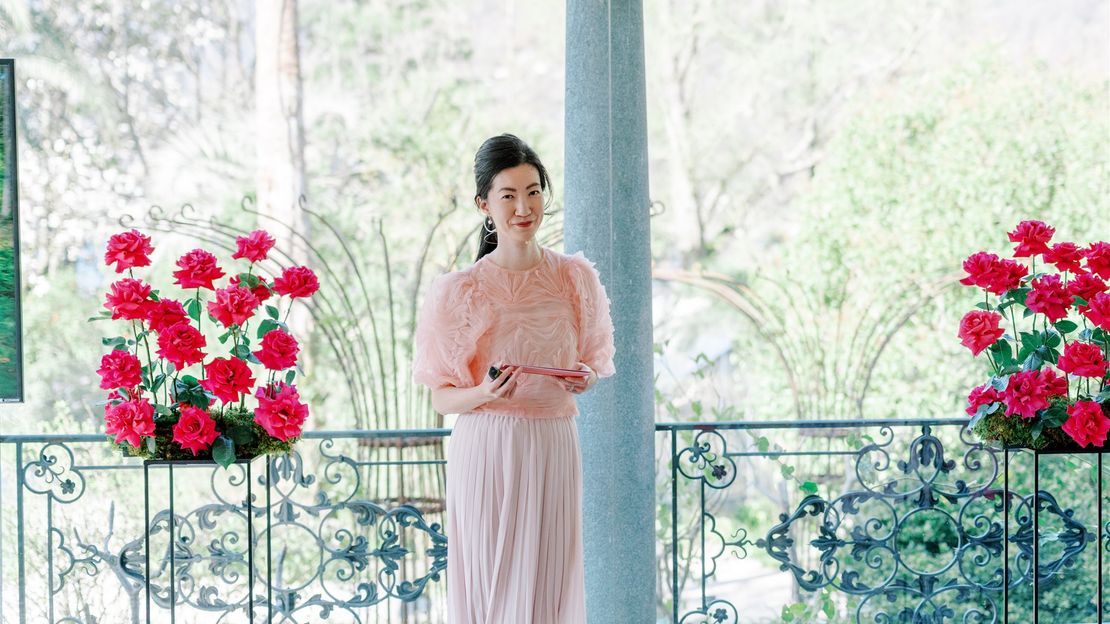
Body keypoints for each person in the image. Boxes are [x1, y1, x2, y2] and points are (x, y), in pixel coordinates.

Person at [412, 133, 616, 623]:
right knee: (491, 582)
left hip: (553, 444)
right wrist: (484, 392)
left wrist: (585, 377)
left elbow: (592, 362)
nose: (524, 207)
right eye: (508, 195)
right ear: (484, 204)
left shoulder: (575, 278)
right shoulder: (459, 290)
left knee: (548, 581)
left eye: (533, 192)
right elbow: (442, 398)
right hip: (487, 447)